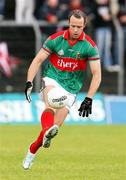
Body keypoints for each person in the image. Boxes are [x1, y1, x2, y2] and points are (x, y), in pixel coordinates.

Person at [23, 9, 101, 170]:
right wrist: (29, 82)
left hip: (71, 88)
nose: (75, 30)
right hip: (52, 78)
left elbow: (97, 74)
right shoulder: (55, 39)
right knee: (50, 101)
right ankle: (42, 140)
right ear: (68, 24)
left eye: (79, 27)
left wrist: (89, 98)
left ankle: (33, 148)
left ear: (84, 25)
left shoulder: (90, 46)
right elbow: (37, 60)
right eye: (72, 26)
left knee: (53, 128)